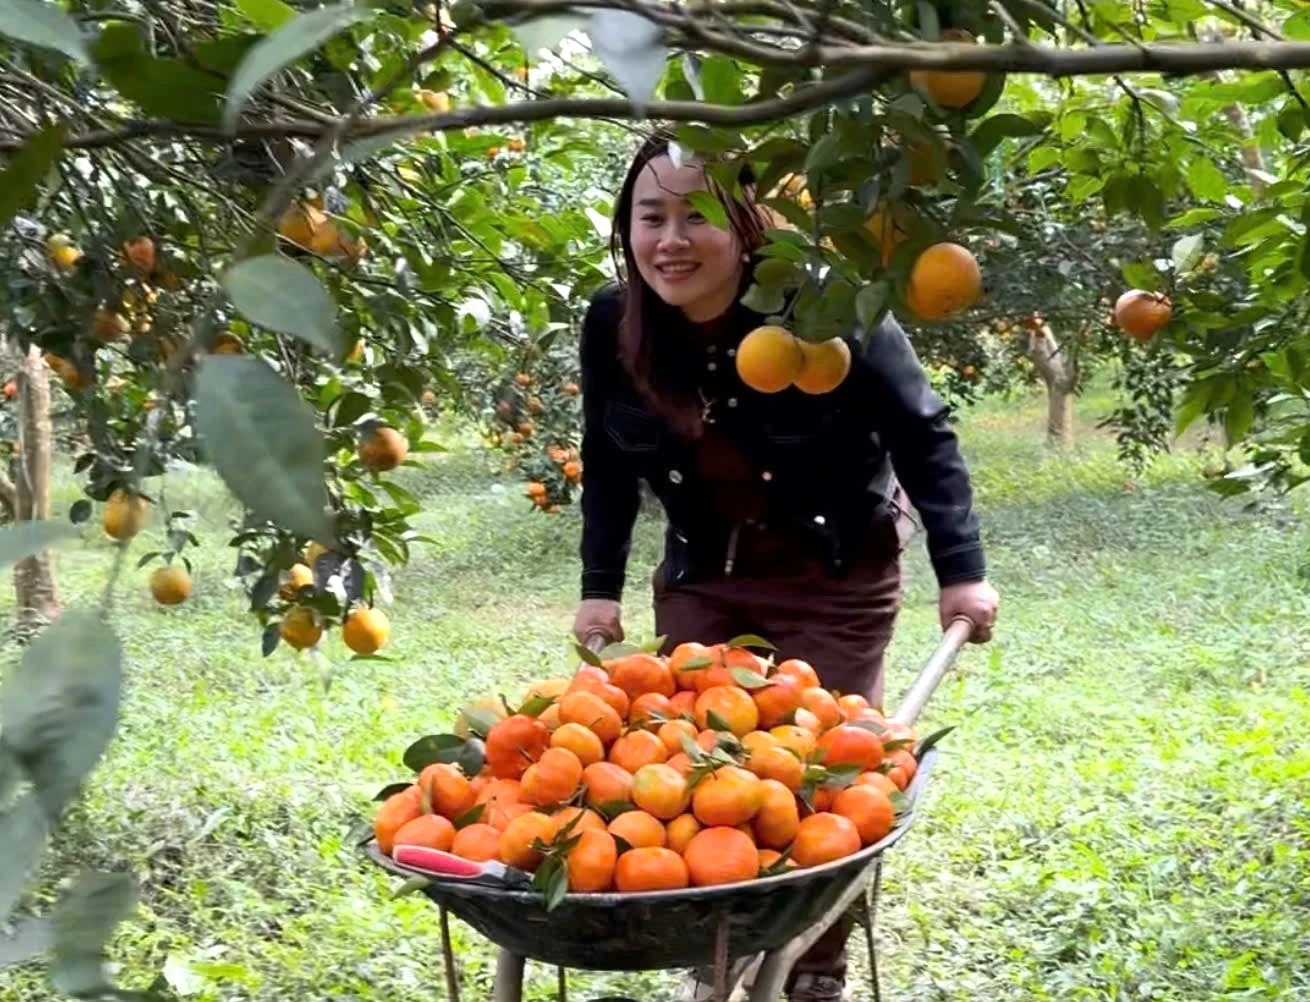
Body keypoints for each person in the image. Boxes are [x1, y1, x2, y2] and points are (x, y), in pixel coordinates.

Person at [570, 131, 999, 1002]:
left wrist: (963, 570)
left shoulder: (824, 309)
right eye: (651, 216)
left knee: (820, 784)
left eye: (698, 216)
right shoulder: (615, 321)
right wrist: (598, 588)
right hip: (704, 573)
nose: (671, 239)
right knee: (694, 776)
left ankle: (811, 974)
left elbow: (923, 432)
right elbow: (606, 461)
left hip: (832, 571)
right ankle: (719, 960)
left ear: (747, 224)